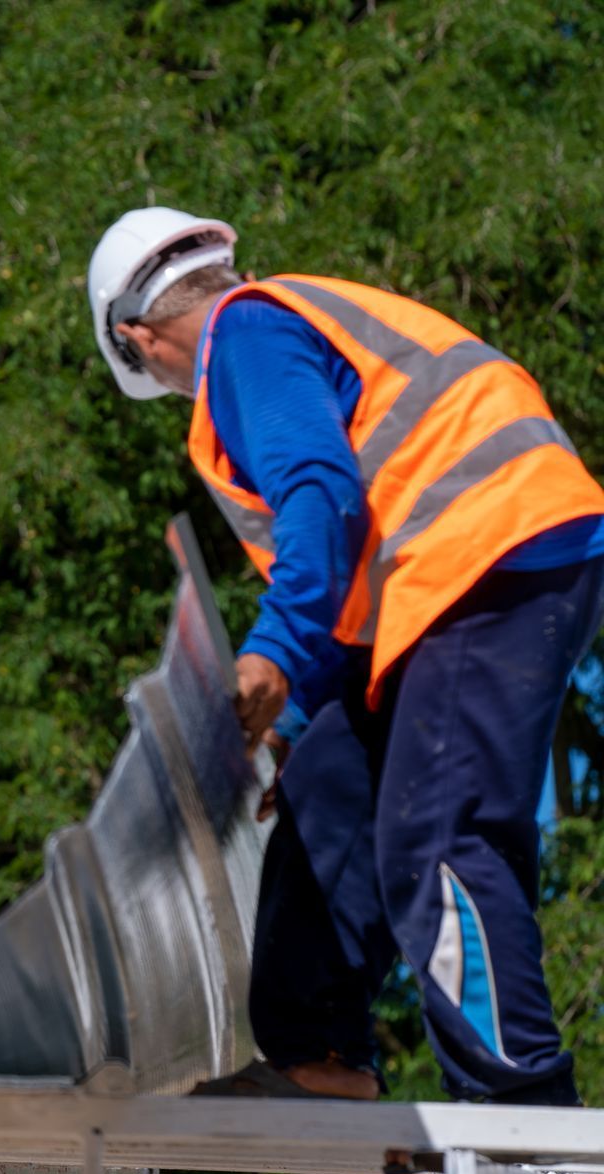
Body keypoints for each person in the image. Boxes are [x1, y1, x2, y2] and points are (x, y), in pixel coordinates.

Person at [85, 207, 604, 1104]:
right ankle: (316, 1053)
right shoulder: (294, 326)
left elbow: (321, 493)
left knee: (438, 837)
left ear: (138, 338)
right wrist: (289, 723)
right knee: (327, 776)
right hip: (443, 578)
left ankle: (522, 1116)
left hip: (485, 553)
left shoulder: (244, 333)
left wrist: (272, 651)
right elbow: (356, 575)